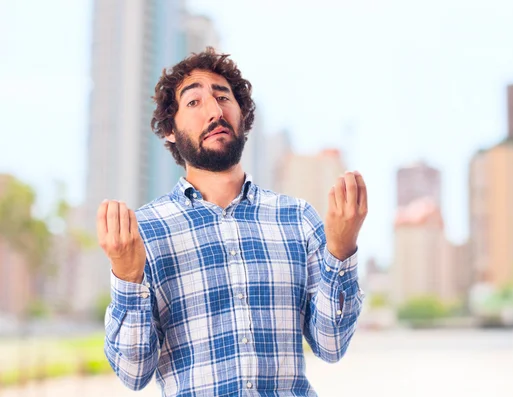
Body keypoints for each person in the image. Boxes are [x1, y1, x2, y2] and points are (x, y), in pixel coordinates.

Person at [97, 47, 368, 396]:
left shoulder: (298, 219)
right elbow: (133, 374)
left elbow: (331, 346)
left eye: (223, 97)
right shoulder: (144, 232)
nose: (214, 110)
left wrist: (342, 248)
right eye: (193, 103)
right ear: (169, 130)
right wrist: (126, 276)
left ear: (243, 117)